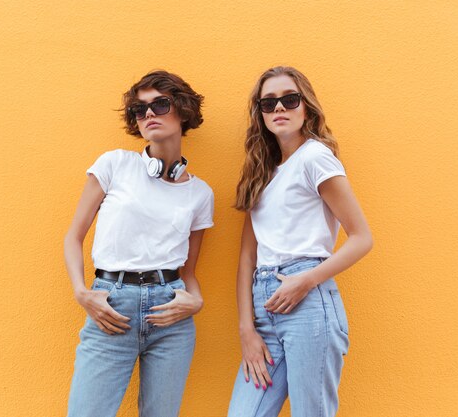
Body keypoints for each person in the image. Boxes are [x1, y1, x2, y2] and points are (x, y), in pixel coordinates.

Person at [64, 70, 214, 417]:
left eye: (160, 104)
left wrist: (197, 301)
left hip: (170, 317)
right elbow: (73, 236)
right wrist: (81, 292)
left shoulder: (200, 193)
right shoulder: (115, 164)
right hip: (112, 307)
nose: (148, 114)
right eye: (139, 108)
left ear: (183, 110)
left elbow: (189, 271)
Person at [227, 66, 373, 417]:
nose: (279, 108)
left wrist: (305, 281)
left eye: (289, 100)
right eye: (269, 102)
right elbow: (248, 257)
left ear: (305, 107)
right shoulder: (262, 171)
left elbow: (362, 238)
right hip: (264, 307)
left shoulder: (315, 157)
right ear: (259, 113)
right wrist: (247, 329)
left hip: (307, 300)